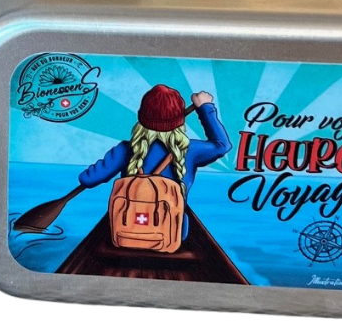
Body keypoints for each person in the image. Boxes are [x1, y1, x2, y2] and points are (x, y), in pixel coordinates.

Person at [76, 84, 231, 242]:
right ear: (180, 122)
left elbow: (88, 179)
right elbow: (222, 145)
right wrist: (205, 108)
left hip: (126, 229)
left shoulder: (125, 150)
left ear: (141, 117)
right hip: (173, 234)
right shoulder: (190, 150)